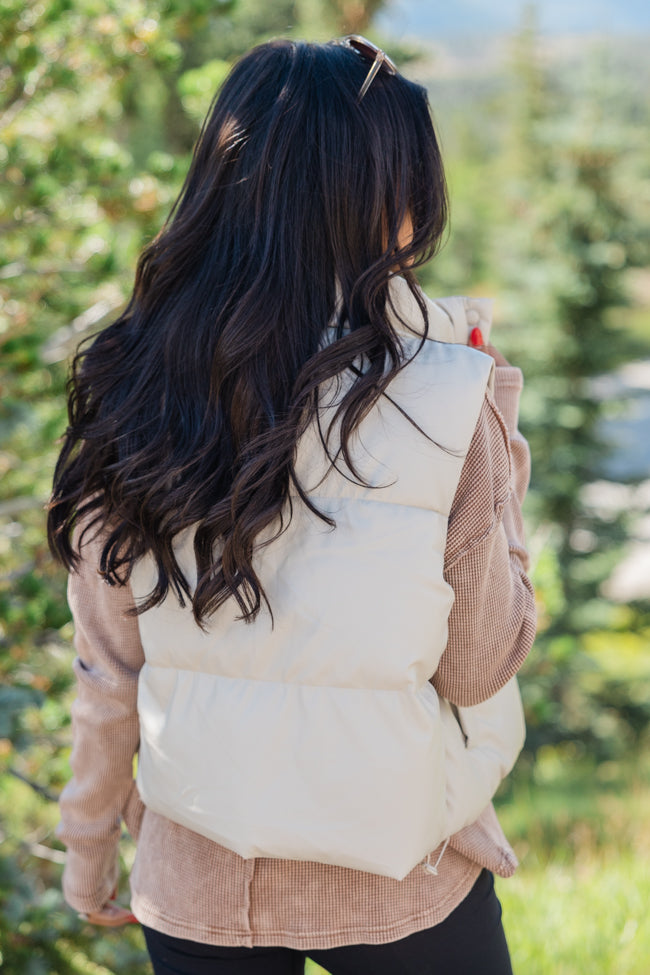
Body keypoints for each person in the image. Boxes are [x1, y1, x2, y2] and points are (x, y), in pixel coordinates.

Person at [48, 36, 536, 975]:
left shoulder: (133, 382)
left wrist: (88, 845)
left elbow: (108, 670)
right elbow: (481, 663)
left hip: (194, 875)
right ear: (382, 201)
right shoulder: (443, 393)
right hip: (400, 873)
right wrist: (494, 412)